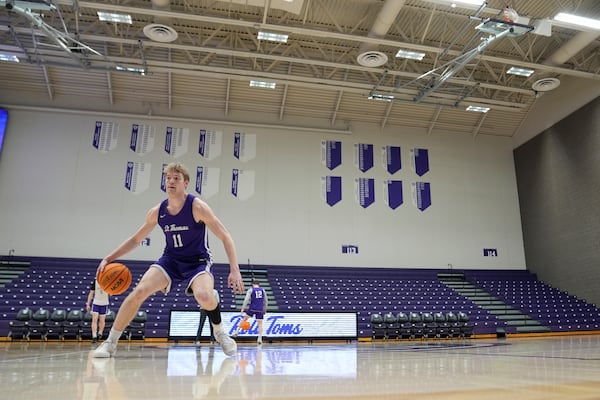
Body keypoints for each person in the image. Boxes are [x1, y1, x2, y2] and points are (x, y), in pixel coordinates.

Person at [93, 162, 245, 358]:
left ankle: (220, 331)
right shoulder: (157, 211)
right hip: (170, 260)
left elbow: (225, 236)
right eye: (168, 178)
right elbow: (136, 239)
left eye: (176, 178)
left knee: (205, 297)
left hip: (197, 261)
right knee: (139, 291)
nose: (171, 181)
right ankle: (110, 342)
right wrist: (109, 257)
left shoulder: (197, 207)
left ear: (186, 183)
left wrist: (235, 269)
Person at [233, 280, 268, 345]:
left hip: (252, 308)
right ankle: (259, 338)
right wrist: (265, 308)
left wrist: (243, 308)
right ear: (259, 284)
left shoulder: (251, 290)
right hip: (260, 309)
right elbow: (266, 300)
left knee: (244, 319)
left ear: (252, 284)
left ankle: (237, 331)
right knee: (260, 324)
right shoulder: (263, 290)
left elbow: (246, 299)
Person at [86, 278, 109, 343]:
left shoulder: (109, 281)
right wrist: (88, 304)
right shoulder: (95, 281)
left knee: (102, 320)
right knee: (94, 319)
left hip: (104, 303)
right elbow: (91, 293)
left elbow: (112, 293)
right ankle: (94, 336)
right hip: (96, 302)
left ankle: (100, 333)